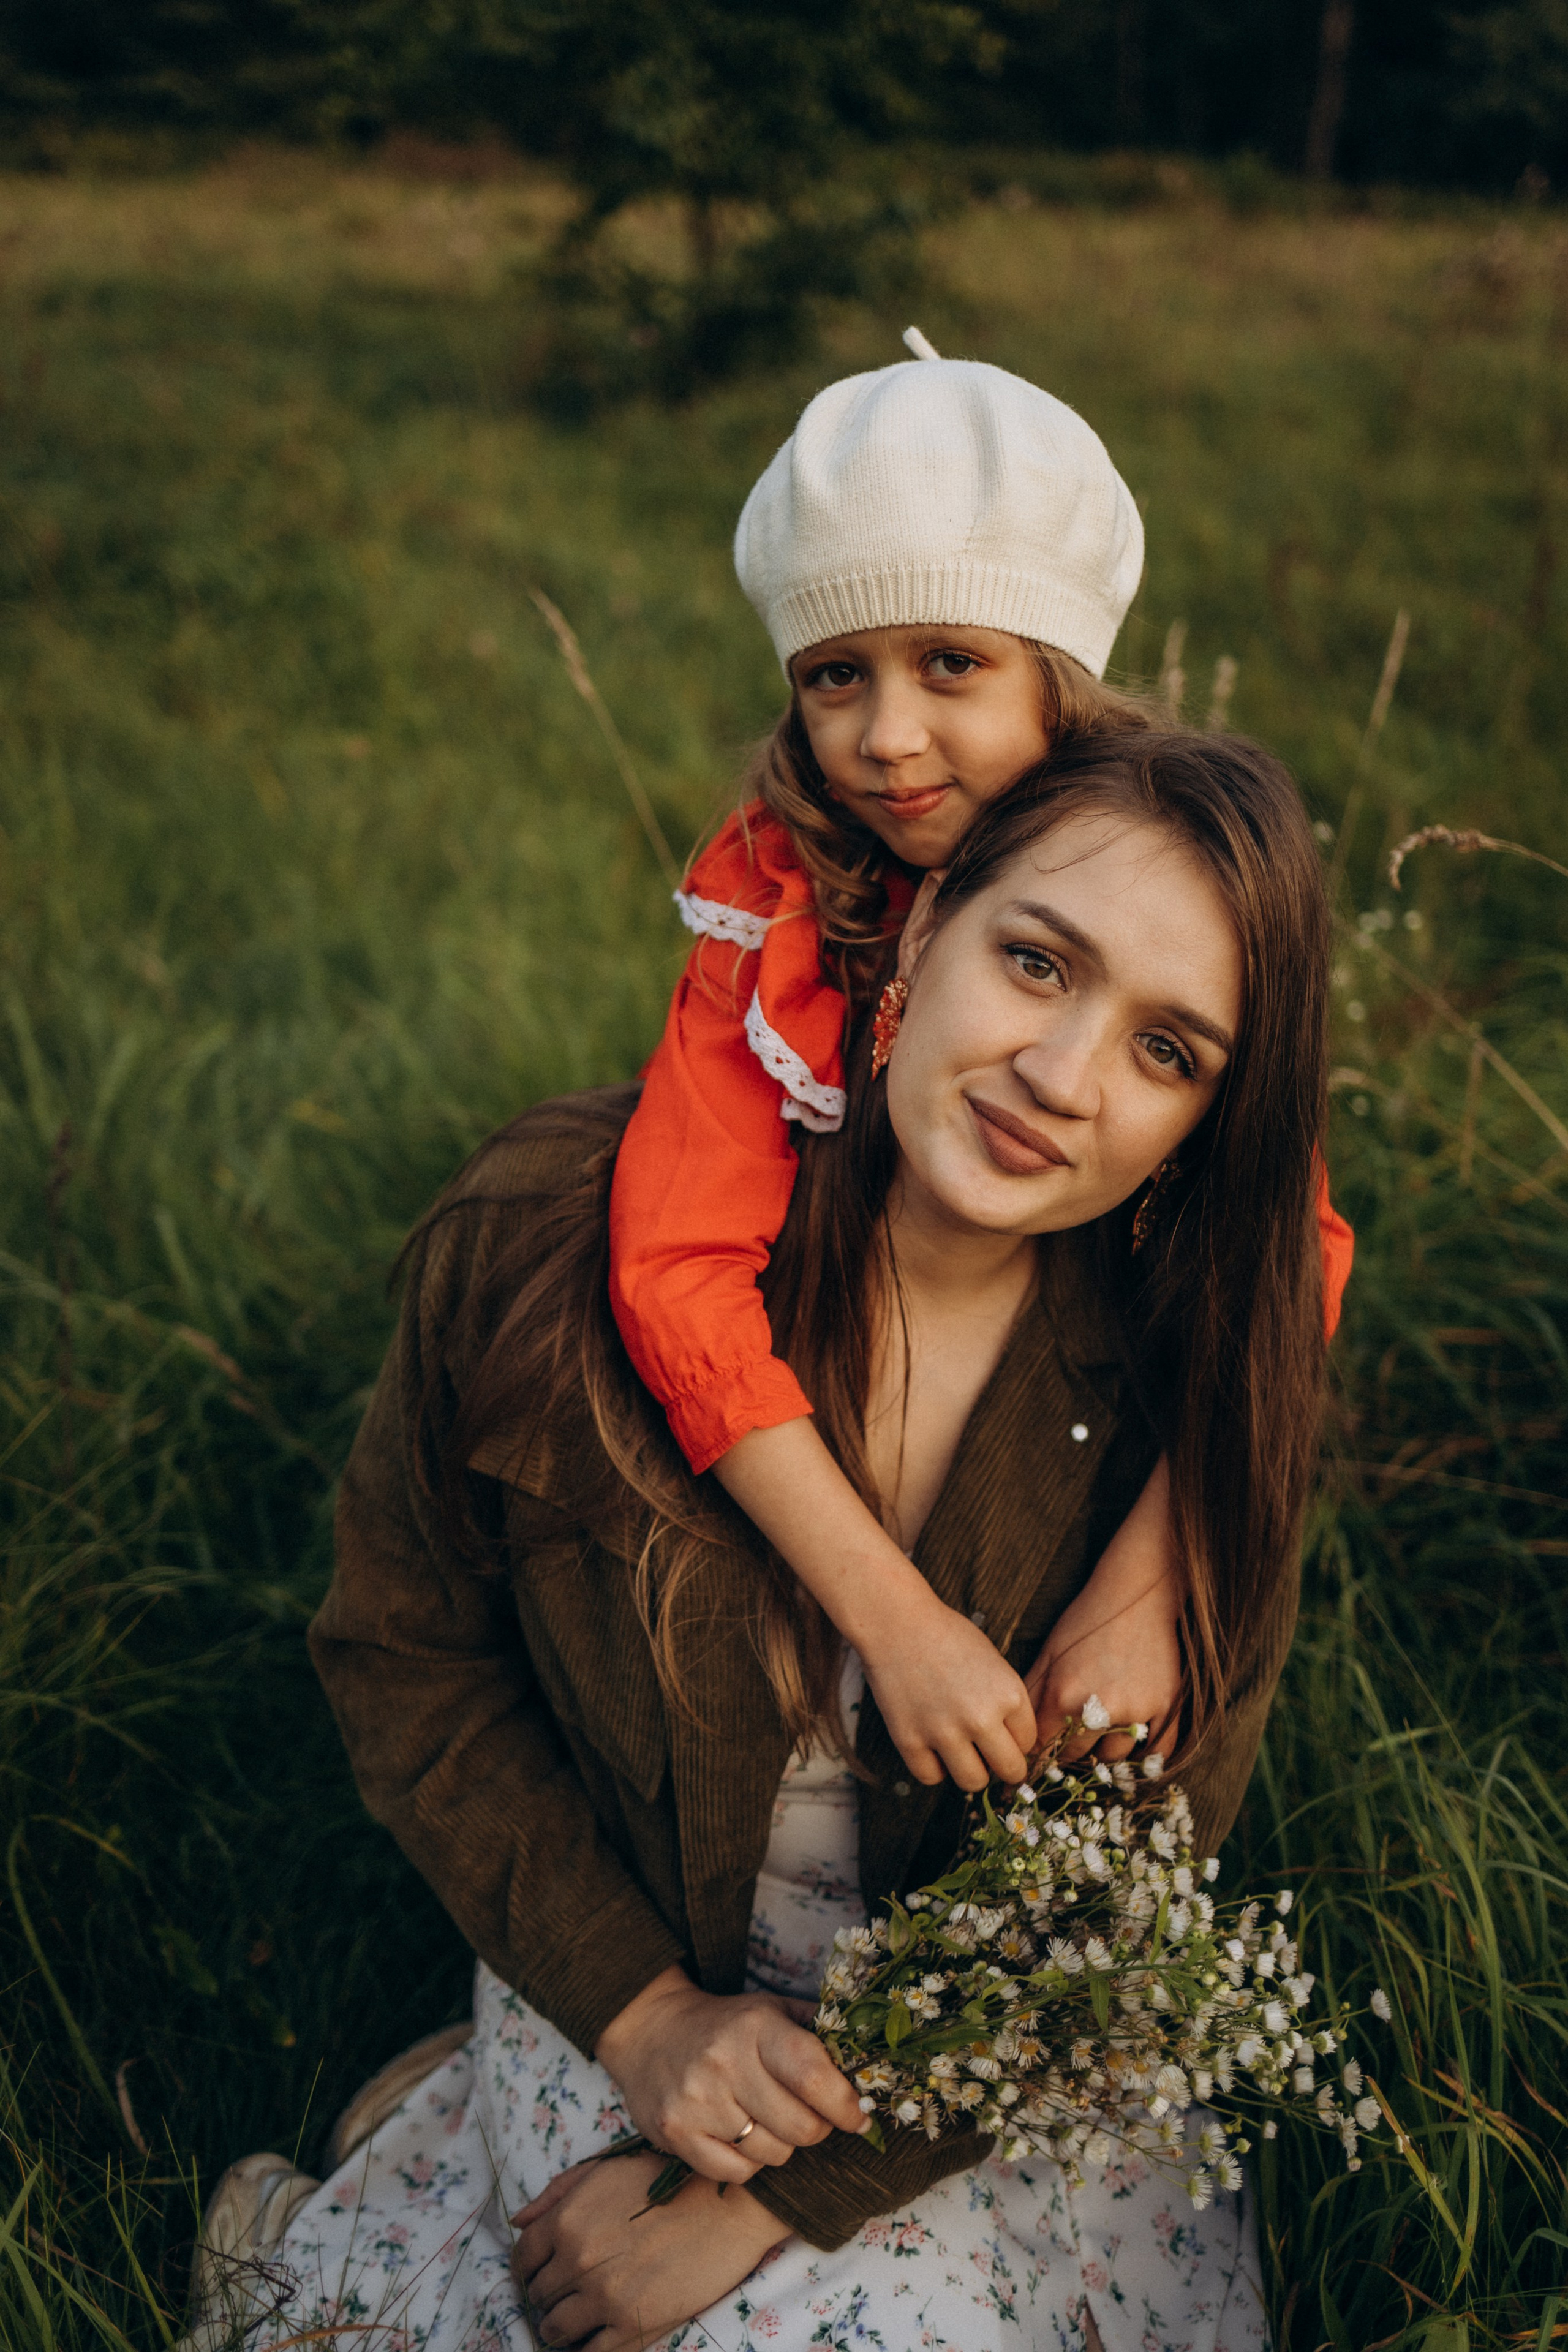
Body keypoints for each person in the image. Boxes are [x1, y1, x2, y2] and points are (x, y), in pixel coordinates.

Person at [189, 724, 1331, 2352]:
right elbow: (406, 1659)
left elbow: (1114, 1900)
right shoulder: (545, 1244)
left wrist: (760, 2211)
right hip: (636, 1985)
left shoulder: (1202, 1409)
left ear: (1213, 1119)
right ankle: (416, 2167)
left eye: (1169, 1053)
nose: (1062, 1079)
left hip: (968, 2070)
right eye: (1033, 961)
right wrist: (645, 2020)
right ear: (923, 930)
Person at [608, 337, 1353, 1806]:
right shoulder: (771, 901)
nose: (886, 742)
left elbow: (1294, 1251)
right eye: (835, 677)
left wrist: (1157, 1572)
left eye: (950, 663)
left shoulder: (1177, 873)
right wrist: (889, 1616)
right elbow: (674, 1267)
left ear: (1055, 676)